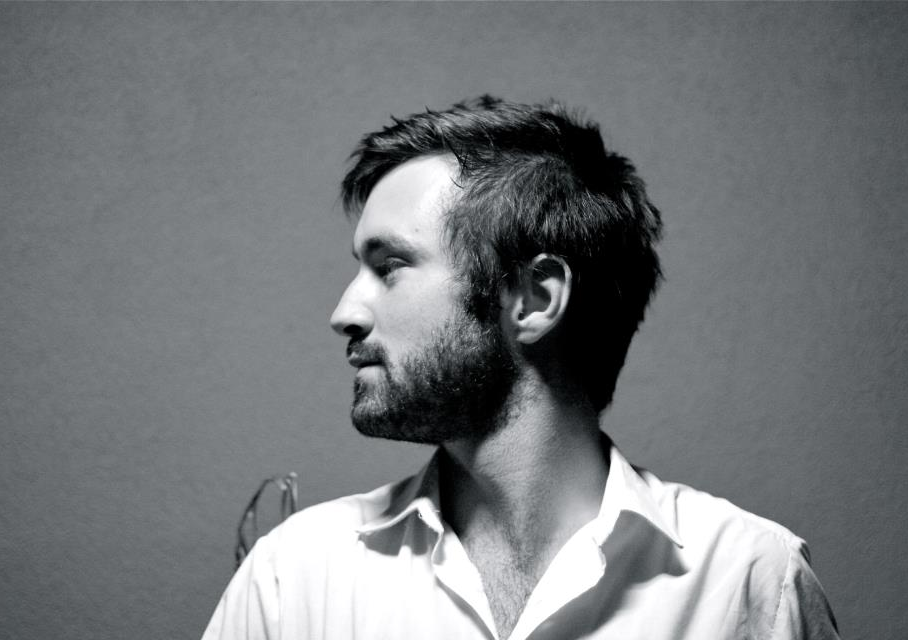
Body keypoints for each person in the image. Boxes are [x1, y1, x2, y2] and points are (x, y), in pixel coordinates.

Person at [202, 96, 840, 640]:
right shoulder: (294, 579)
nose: (344, 313)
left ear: (534, 299)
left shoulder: (748, 580)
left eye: (390, 266)